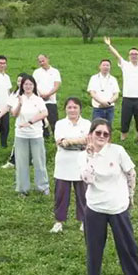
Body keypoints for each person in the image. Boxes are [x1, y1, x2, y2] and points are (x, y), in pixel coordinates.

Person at [80, 118, 138, 275]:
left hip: (118, 207)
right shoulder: (83, 155)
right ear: (91, 134)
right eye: (97, 133)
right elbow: (87, 179)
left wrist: (131, 197)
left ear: (109, 137)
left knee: (128, 246)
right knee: (94, 249)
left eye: (105, 134)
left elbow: (131, 173)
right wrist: (91, 156)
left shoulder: (118, 151)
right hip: (95, 208)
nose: (101, 136)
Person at [52, 97, 91, 233]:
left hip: (81, 163)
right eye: (69, 107)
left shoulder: (87, 123)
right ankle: (59, 221)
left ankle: (84, 221)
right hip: (63, 164)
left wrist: (70, 141)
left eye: (75, 107)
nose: (72, 110)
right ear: (65, 109)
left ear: (80, 109)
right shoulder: (60, 124)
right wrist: (78, 142)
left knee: (83, 194)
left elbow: (88, 141)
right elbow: (61, 142)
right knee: (61, 195)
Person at [9, 74, 49, 195]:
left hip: (36, 134)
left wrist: (30, 122)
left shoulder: (38, 99)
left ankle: (43, 187)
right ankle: (22, 188)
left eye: (30, 84)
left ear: (34, 86)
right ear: (22, 85)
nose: (28, 86)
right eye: (25, 84)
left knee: (39, 161)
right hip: (21, 135)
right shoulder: (17, 98)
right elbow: (14, 114)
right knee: (21, 163)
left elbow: (44, 113)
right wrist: (20, 104)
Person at [33, 54, 62, 138]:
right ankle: (45, 137)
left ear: (47, 59)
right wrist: (41, 95)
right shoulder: (36, 72)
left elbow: (57, 85)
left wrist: (48, 94)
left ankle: (56, 137)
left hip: (51, 100)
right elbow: (34, 85)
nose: (42, 63)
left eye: (43, 60)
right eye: (40, 61)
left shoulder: (55, 71)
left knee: (53, 120)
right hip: (40, 100)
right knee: (41, 121)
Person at [87, 59, 120, 124]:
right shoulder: (94, 78)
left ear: (110, 67)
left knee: (108, 129)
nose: (105, 67)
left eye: (107, 65)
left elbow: (116, 94)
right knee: (96, 128)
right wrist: (101, 102)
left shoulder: (113, 79)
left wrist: (108, 102)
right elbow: (92, 92)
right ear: (100, 66)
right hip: (98, 108)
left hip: (109, 108)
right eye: (104, 65)